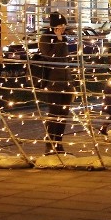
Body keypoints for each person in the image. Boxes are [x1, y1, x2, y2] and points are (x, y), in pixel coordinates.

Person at [40, 11, 73, 154]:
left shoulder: (63, 38)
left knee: (63, 114)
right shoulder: (45, 38)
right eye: (60, 25)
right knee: (54, 114)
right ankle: (50, 143)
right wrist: (58, 41)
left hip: (65, 82)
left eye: (64, 25)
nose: (63, 28)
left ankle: (58, 143)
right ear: (53, 26)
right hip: (53, 82)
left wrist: (71, 82)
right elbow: (50, 57)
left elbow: (66, 60)